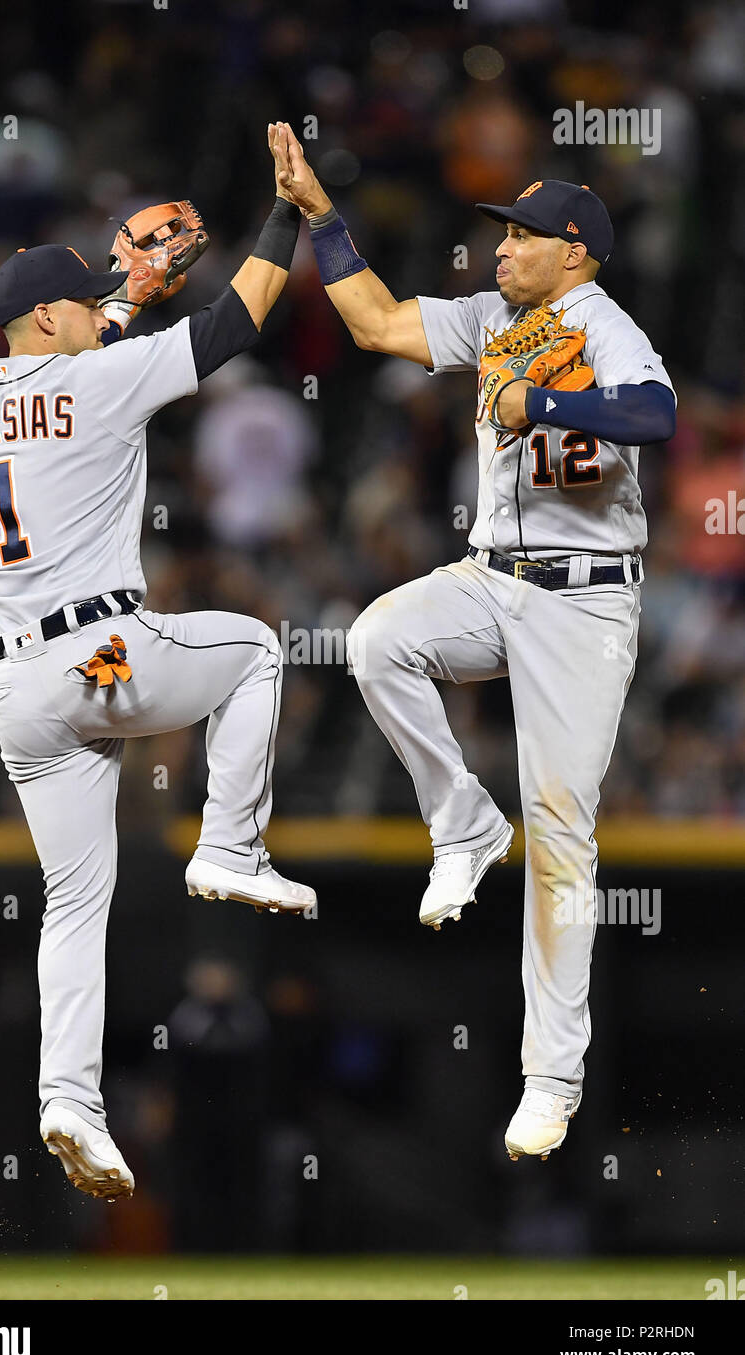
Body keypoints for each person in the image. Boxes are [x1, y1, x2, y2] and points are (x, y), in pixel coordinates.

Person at [269, 121, 676, 1160]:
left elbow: (654, 413)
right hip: (492, 576)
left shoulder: (598, 319)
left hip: (584, 605)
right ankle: (459, 822)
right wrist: (322, 217)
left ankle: (551, 1080)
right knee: (374, 641)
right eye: (501, 233)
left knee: (562, 835)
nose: (501, 247)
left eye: (523, 235)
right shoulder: (498, 316)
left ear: (573, 250)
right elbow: (370, 325)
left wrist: (538, 396)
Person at [0, 153, 316, 1201]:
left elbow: (68, 343)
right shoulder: (100, 377)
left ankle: (67, 1097)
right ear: (57, 316)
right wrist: (282, 217)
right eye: (77, 301)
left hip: (14, 693)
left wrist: (110, 295)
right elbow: (237, 321)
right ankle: (231, 846)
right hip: (98, 656)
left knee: (76, 899)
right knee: (253, 650)